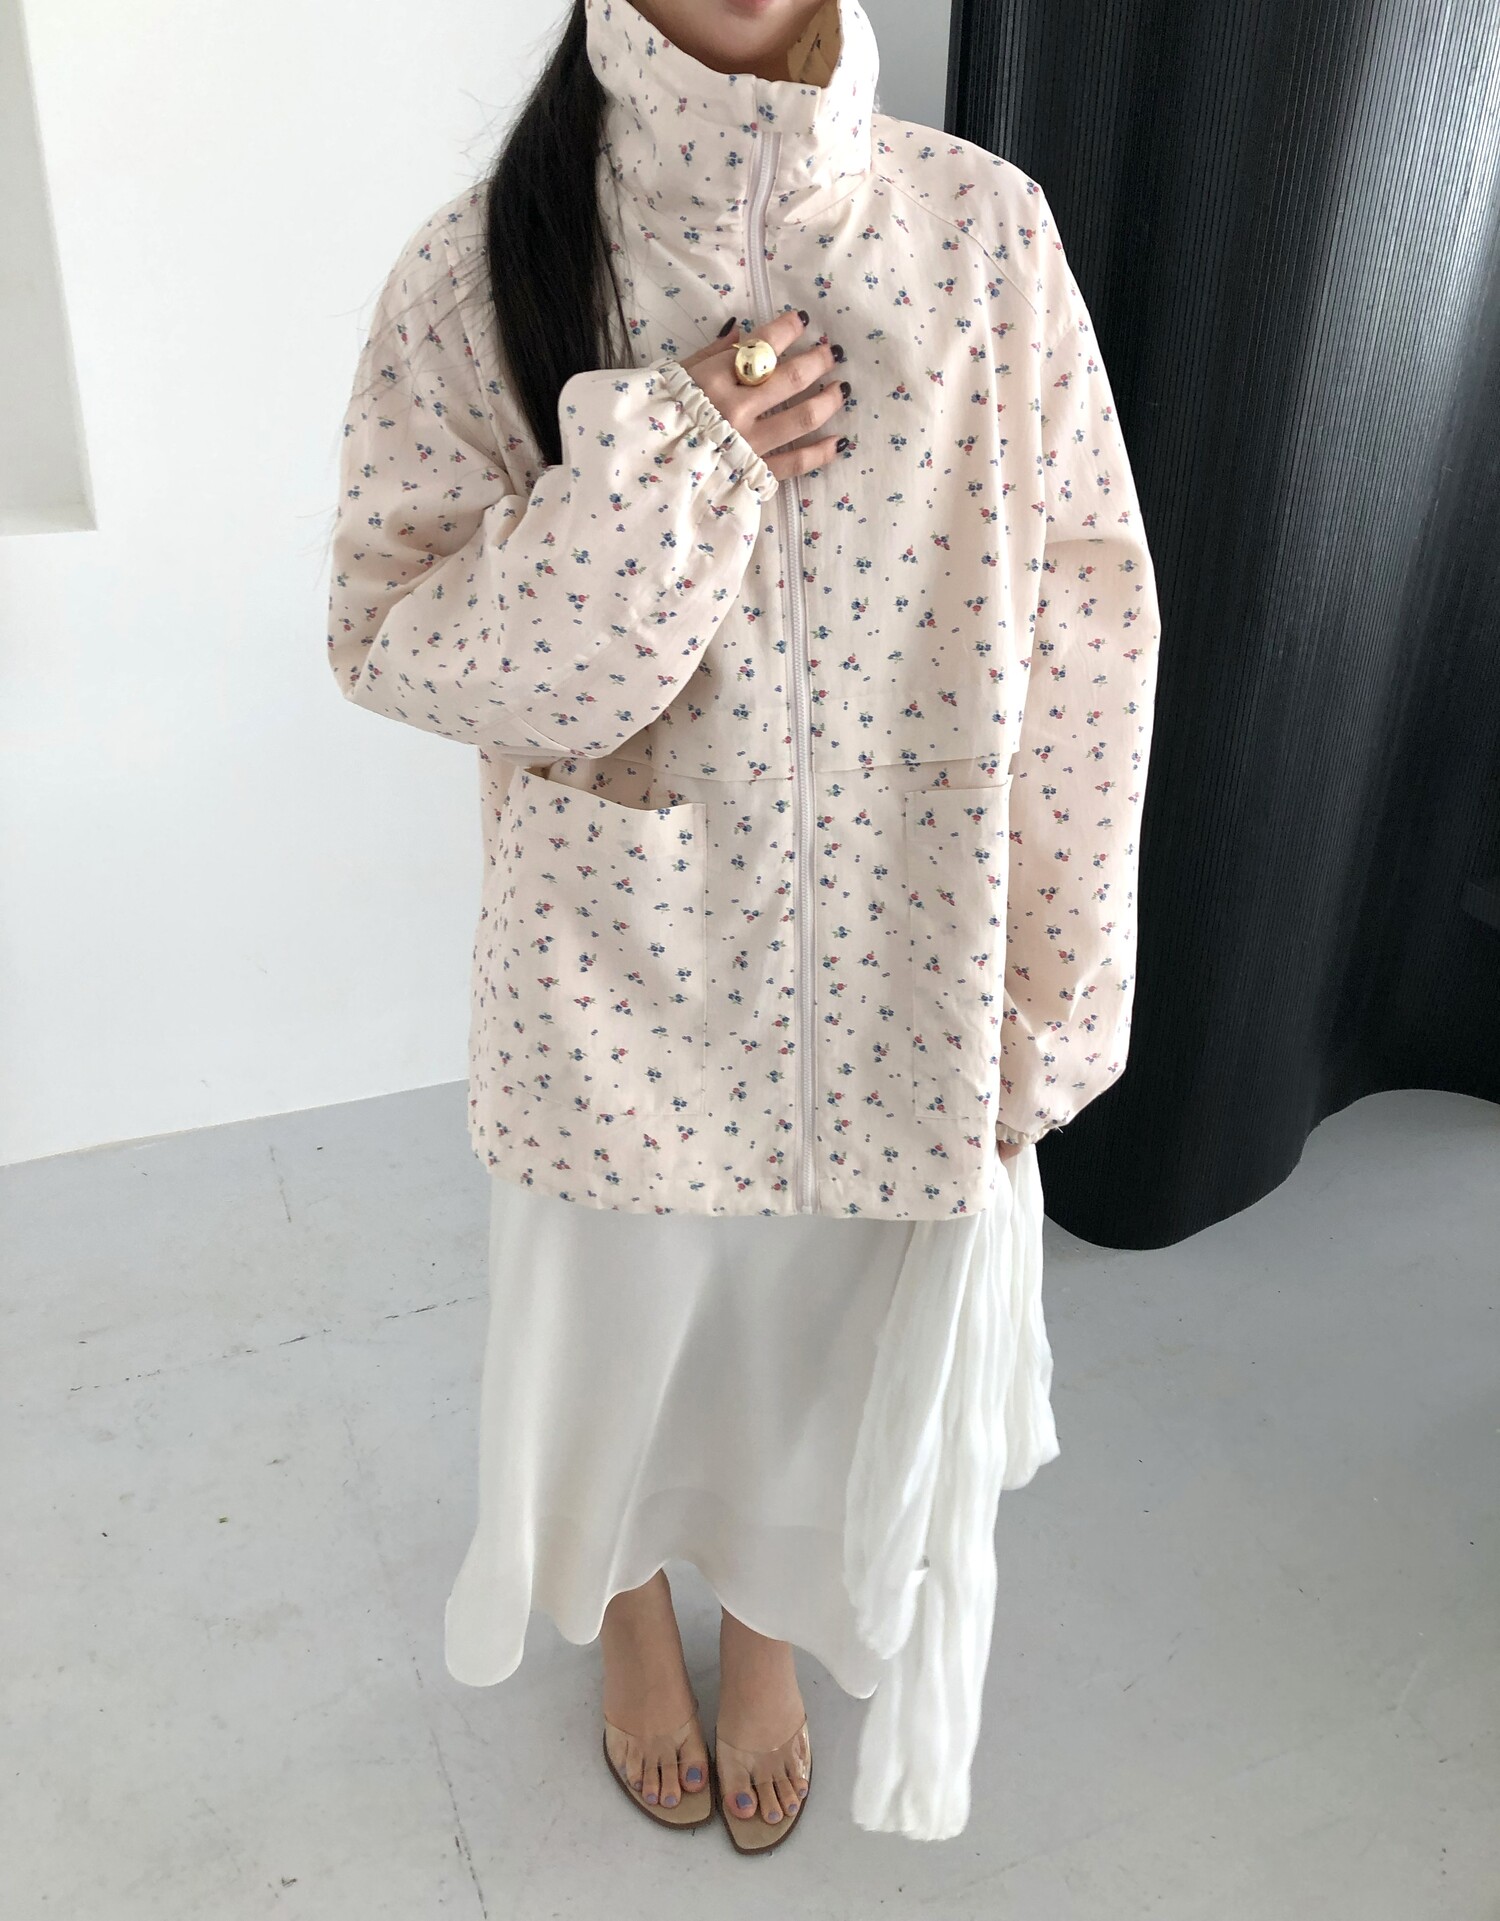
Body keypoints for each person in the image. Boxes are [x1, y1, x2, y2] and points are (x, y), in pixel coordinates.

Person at [326, 0, 1161, 1850]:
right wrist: (673, 466)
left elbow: (1094, 622)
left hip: (904, 977)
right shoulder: (481, 267)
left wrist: (1059, 977)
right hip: (615, 979)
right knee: (616, 1352)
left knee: (811, 1357)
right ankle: (628, 1607)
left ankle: (763, 1625)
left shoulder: (982, 231)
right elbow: (393, 636)